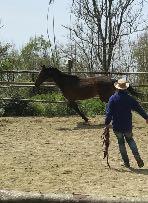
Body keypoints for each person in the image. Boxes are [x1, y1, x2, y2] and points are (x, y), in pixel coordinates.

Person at [105, 78, 148, 168]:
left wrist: (107, 123)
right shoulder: (130, 98)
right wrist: (146, 117)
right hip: (127, 125)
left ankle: (126, 163)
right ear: (126, 88)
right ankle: (138, 158)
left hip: (117, 126)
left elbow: (109, 113)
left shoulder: (112, 98)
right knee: (131, 140)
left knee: (121, 143)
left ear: (117, 88)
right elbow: (139, 109)